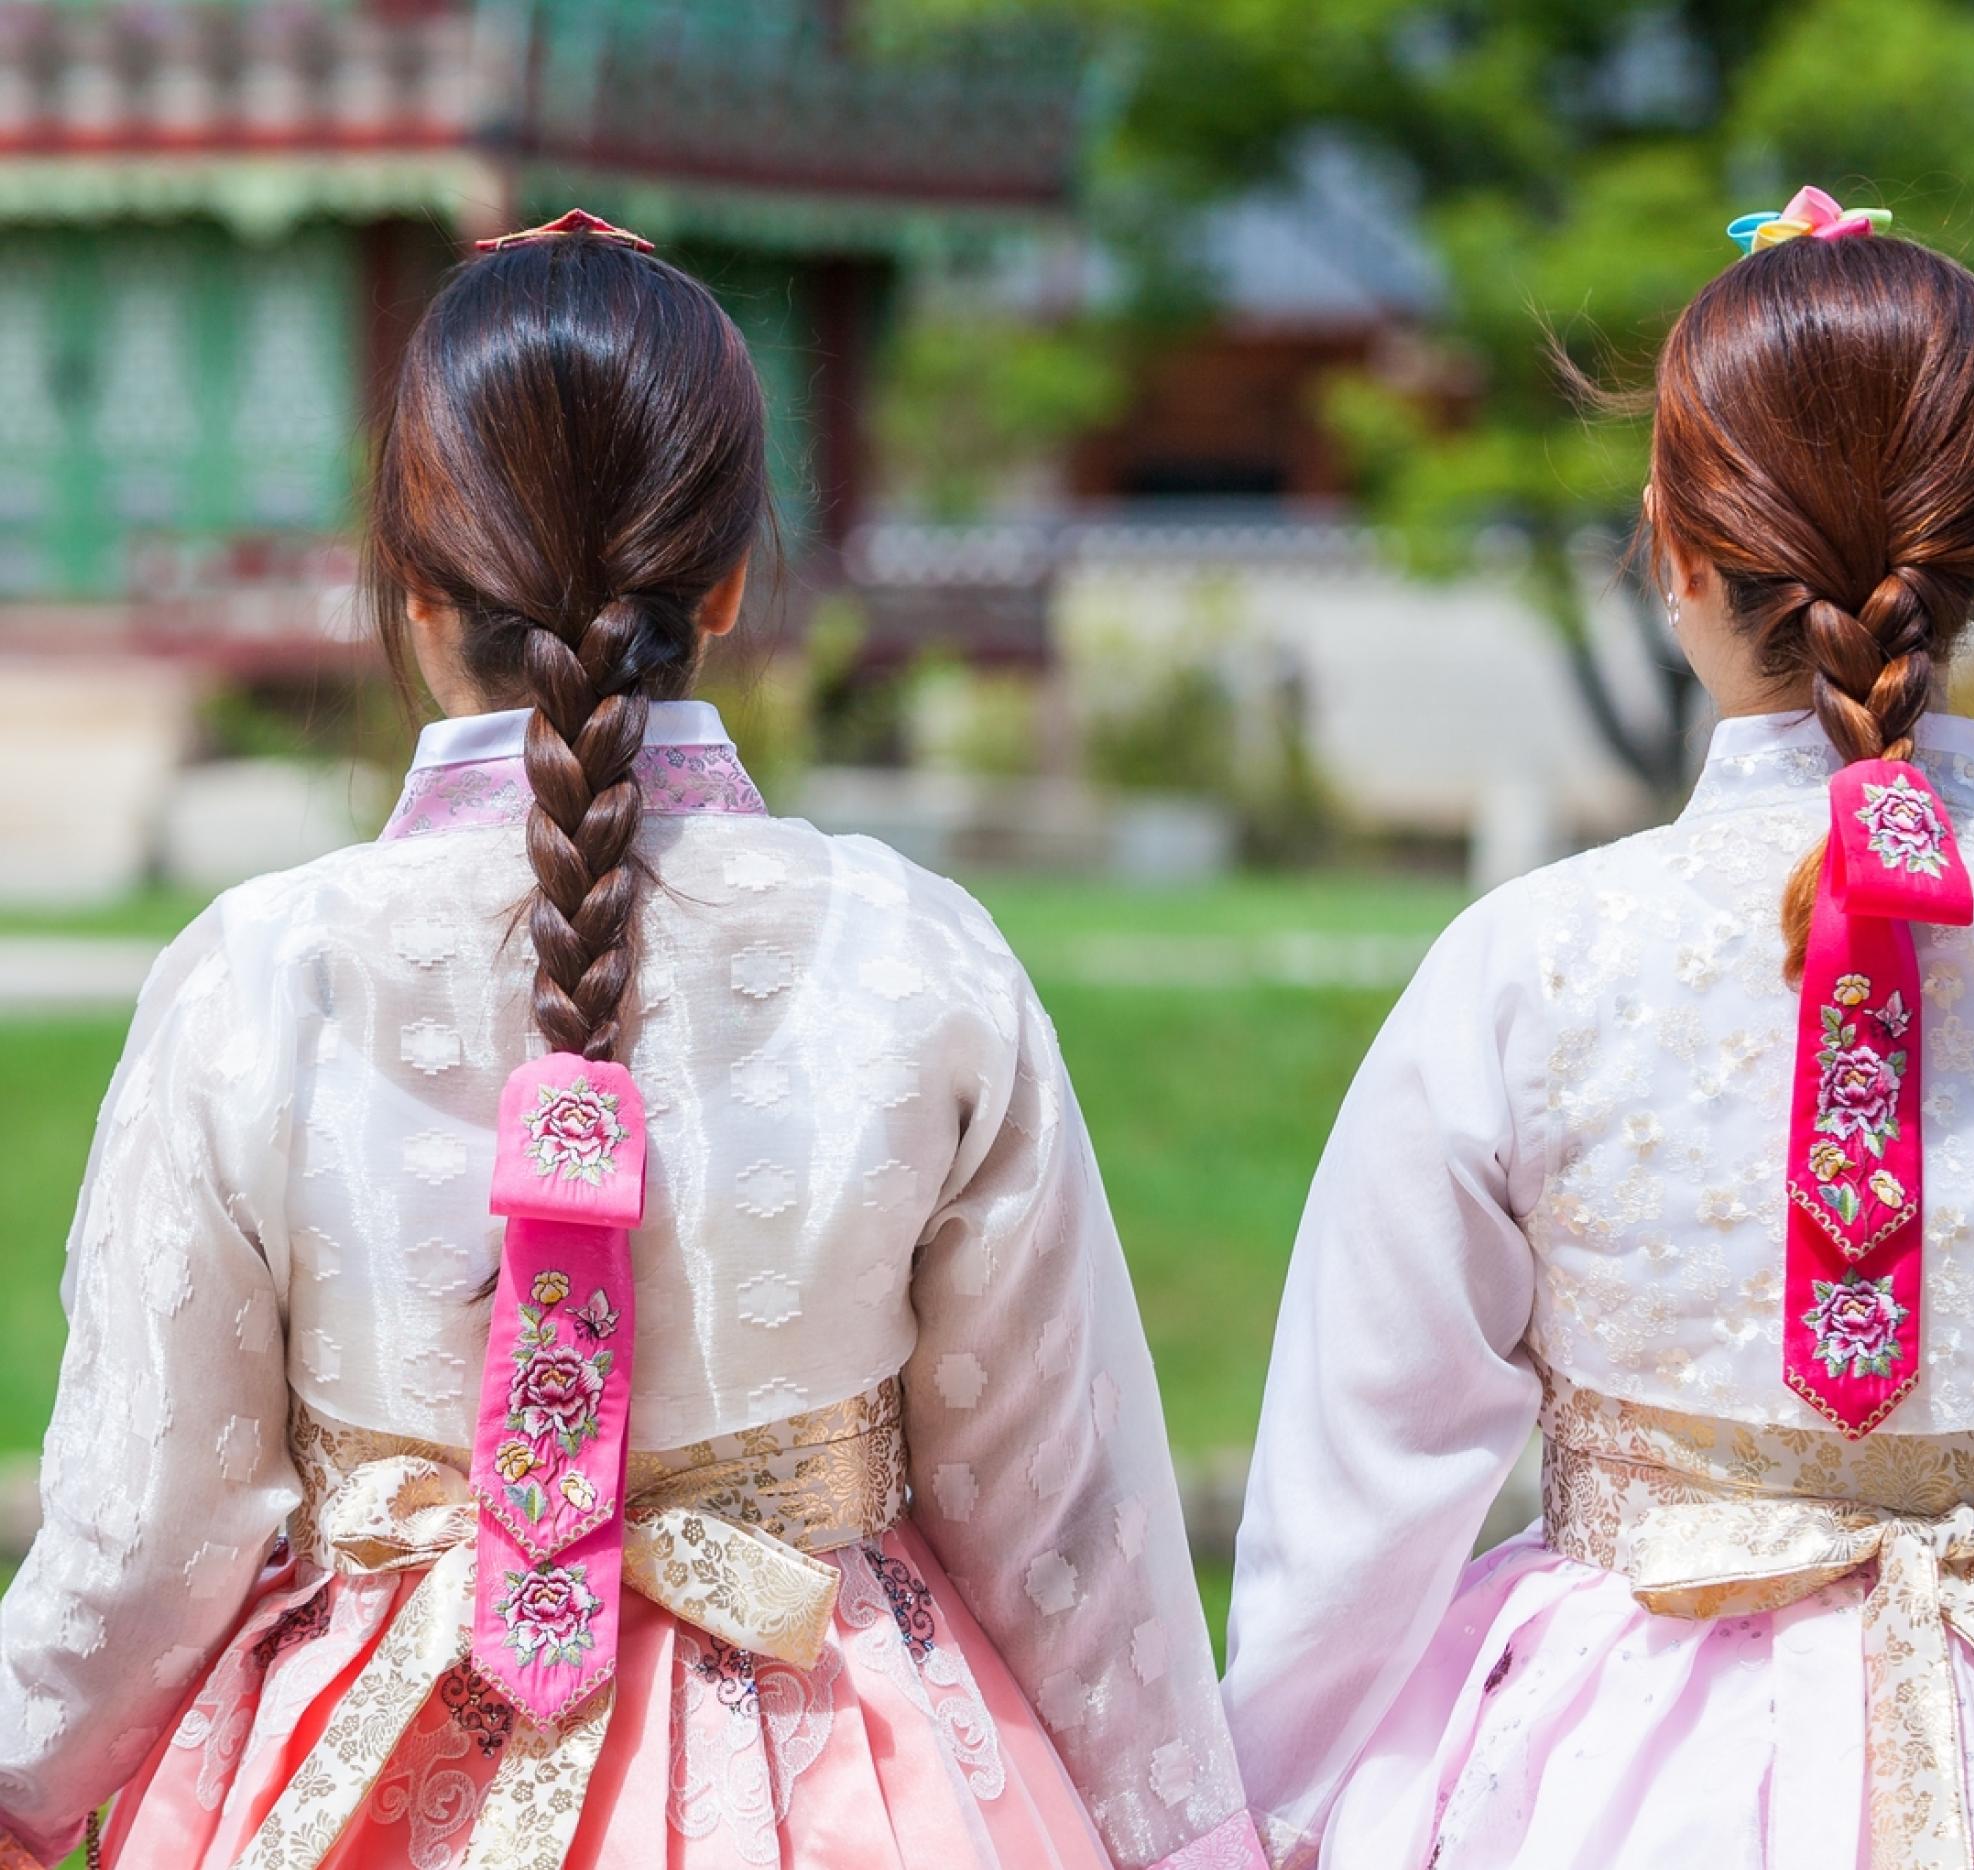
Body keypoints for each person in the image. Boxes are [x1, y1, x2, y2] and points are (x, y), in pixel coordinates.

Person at [0, 211, 1263, 1870]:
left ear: (407, 575)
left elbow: (138, 1545)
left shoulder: (260, 978)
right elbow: (1066, 1531)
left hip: (372, 1784)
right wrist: (1189, 1839)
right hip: (850, 1778)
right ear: (731, 578)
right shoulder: (916, 958)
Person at [1220, 188, 1974, 1870]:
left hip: (1620, 1775)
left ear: (1671, 539)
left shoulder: (1526, 967)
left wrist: (1253, 1813)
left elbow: (1361, 1502)